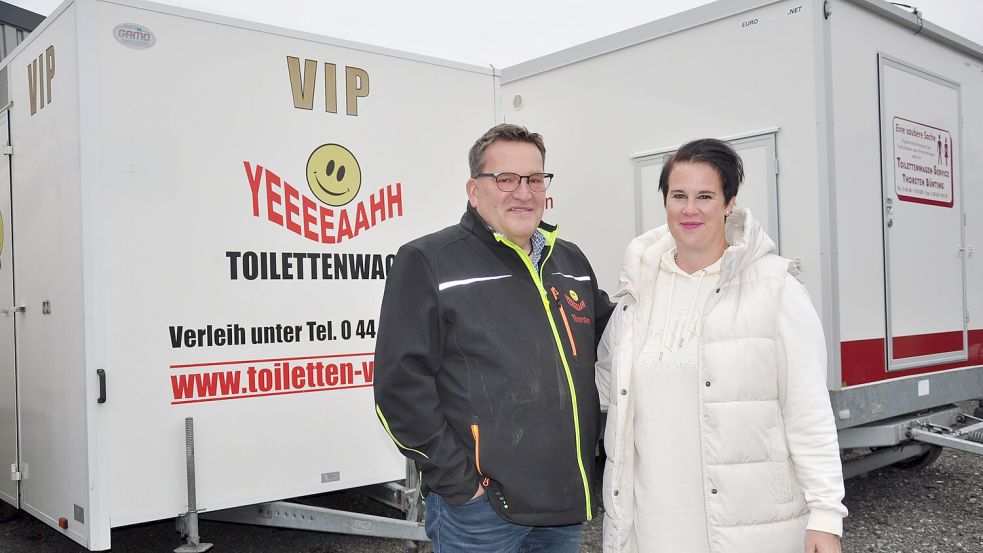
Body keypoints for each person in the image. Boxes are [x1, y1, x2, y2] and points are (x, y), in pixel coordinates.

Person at [596, 138, 847, 553]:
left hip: (746, 529)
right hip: (652, 529)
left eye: (705, 196)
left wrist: (825, 515)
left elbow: (808, 410)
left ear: (729, 202)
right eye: (679, 195)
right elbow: (607, 389)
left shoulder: (775, 288)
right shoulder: (636, 295)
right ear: (665, 201)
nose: (689, 209)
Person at [374, 123, 614, 552]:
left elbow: (617, 336)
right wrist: (462, 486)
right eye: (505, 179)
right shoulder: (429, 262)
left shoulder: (571, 262)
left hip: (564, 505)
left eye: (535, 179)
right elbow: (398, 390)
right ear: (474, 189)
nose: (523, 192)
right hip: (482, 514)